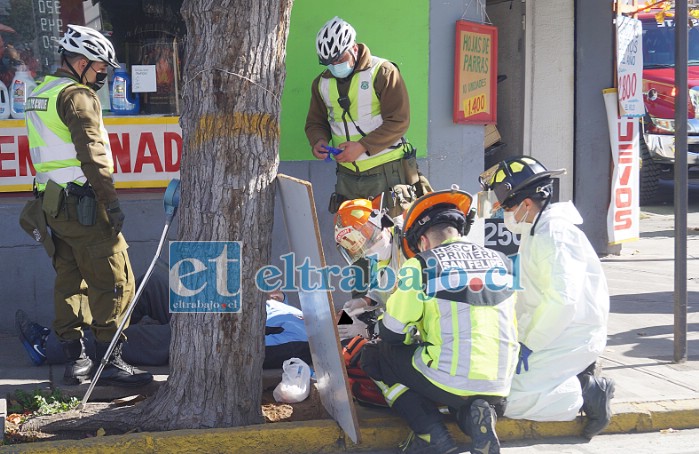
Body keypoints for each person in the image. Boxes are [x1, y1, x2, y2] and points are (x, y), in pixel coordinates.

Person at [23, 24, 151, 387]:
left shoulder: (41, 91)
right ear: (80, 62)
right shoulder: (76, 96)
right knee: (114, 278)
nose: (103, 75)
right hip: (84, 204)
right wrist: (111, 203)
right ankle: (109, 360)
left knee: (68, 279)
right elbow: (92, 154)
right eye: (100, 68)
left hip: (52, 203)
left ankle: (74, 361)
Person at [361, 188, 519, 454]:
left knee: (377, 356)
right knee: (457, 384)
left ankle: (431, 436)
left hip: (451, 378)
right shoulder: (502, 261)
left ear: (423, 241)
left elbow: (391, 332)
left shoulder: (422, 265)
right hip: (500, 382)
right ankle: (477, 418)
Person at [479, 156, 614, 439]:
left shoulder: (554, 235)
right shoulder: (537, 228)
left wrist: (530, 343)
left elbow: (563, 302)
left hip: (571, 333)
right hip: (546, 329)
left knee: (510, 398)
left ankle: (586, 390)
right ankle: (572, 377)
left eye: (507, 206)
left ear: (526, 204)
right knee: (491, 381)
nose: (504, 213)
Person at [16, 273, 312, 371]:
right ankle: (79, 328)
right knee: (151, 285)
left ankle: (50, 347)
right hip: (213, 310)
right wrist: (274, 296)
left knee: (141, 340)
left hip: (212, 340)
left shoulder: (302, 344)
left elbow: (251, 352)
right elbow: (272, 305)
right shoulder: (306, 316)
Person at [305, 16, 429, 218]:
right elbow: (315, 121)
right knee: (354, 242)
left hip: (387, 174)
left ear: (353, 48)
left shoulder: (383, 72)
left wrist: (362, 146)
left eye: (339, 59)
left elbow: (399, 121)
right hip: (348, 178)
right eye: (328, 62)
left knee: (393, 239)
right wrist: (318, 140)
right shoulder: (322, 83)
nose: (335, 65)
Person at [333, 197, 405, 339]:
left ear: (378, 225)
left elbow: (404, 312)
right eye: (358, 249)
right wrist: (366, 301)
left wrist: (369, 330)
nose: (365, 252)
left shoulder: (406, 246)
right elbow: (387, 288)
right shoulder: (383, 258)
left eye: (365, 243)